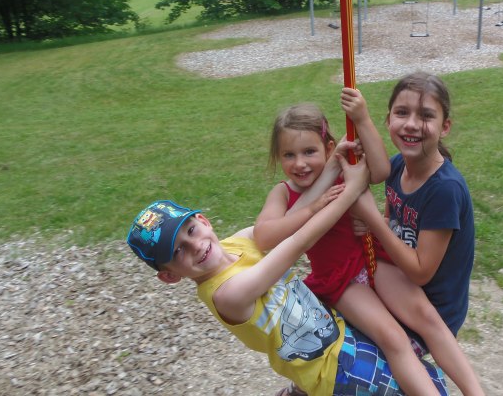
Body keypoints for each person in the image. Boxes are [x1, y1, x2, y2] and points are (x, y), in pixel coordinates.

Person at [125, 155, 448, 395]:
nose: (194, 245)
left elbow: (289, 221)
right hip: (333, 375)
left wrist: (334, 168)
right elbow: (296, 242)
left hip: (340, 336)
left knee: (420, 376)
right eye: (178, 251)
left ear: (204, 220)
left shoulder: (236, 243)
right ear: (169, 276)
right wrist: (350, 193)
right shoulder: (226, 294)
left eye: (191, 230)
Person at [255, 95, 483, 395]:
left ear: (328, 147)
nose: (299, 163)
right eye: (288, 155)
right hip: (343, 279)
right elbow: (265, 237)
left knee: (429, 319)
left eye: (309, 151)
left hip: (373, 257)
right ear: (278, 157)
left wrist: (361, 118)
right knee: (392, 339)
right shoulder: (283, 193)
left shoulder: (341, 167)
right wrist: (313, 209)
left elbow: (380, 171)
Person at [349, 72, 479, 392]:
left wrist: (373, 223)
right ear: (388, 119)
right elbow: (394, 224)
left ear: (444, 126)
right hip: (402, 289)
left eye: (426, 115)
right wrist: (372, 222)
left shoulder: (445, 190)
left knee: (372, 355)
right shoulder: (396, 167)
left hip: (432, 312)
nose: (411, 124)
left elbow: (421, 271)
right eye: (402, 113)